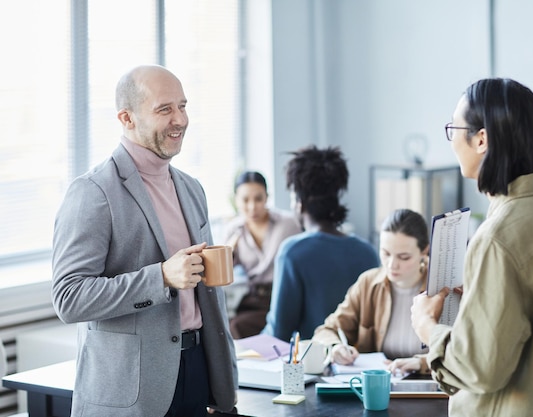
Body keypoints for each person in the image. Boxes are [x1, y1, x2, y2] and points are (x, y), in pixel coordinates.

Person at [411, 78, 533, 416]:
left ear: (481, 139)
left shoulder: (497, 239)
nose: (452, 139)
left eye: (454, 127)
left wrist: (426, 325)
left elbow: (480, 368)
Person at [51, 65, 237, 417]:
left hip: (197, 371)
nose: (179, 119)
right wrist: (162, 277)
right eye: (164, 109)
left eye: (183, 106)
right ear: (127, 118)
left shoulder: (191, 188)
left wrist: (222, 377)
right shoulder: (92, 193)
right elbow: (69, 298)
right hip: (130, 390)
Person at [262, 145, 379, 341]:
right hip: (362, 363)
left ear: (299, 202)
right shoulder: (368, 252)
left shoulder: (292, 252)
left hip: (312, 365)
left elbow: (278, 333)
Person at [313, 208, 431, 376]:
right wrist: (335, 347)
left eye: (403, 257)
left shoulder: (442, 289)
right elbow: (326, 331)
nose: (392, 265)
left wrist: (422, 362)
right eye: (386, 253)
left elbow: (461, 353)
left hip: (429, 387)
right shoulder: (368, 283)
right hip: (377, 388)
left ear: (424, 251)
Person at [223, 171, 301, 339]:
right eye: (245, 200)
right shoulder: (234, 230)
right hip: (254, 299)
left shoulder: (289, 223)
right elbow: (223, 275)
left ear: (267, 197)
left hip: (284, 294)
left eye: (258, 199)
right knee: (233, 326)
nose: (252, 207)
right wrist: (228, 252)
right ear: (236, 200)